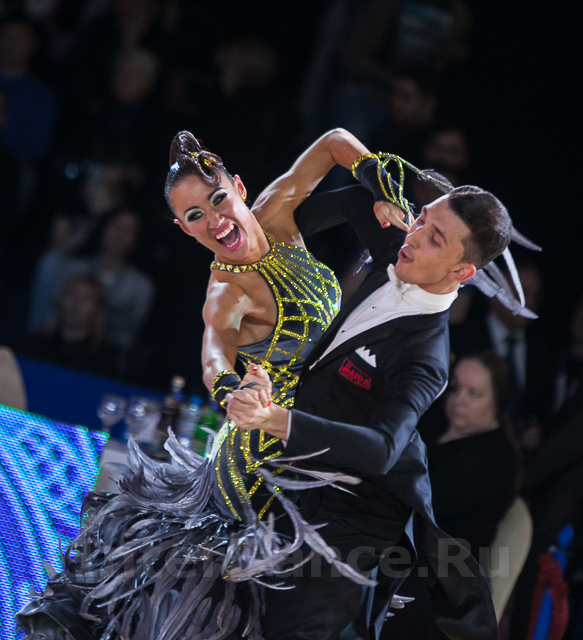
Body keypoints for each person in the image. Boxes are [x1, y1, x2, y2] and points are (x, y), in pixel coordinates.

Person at [16, 128, 411, 640]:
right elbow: (214, 355)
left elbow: (334, 141)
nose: (215, 220)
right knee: (228, 613)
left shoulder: (278, 215)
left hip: (314, 440)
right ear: (183, 229)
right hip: (261, 463)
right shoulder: (226, 292)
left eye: (218, 199)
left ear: (240, 188)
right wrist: (232, 391)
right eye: (195, 216)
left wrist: (378, 180)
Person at [225, 160, 514, 639]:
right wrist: (370, 193)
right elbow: (331, 205)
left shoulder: (426, 356)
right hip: (292, 483)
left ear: (461, 271)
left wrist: (276, 419)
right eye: (421, 218)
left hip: (346, 528)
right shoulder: (397, 247)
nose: (414, 235)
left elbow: (381, 449)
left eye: (435, 238)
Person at [385, 351, 522, 640]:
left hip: (443, 584)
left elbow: (418, 502)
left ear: (498, 401)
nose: (459, 400)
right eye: (456, 387)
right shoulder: (434, 423)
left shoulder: (497, 459)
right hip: (406, 555)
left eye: (474, 394)